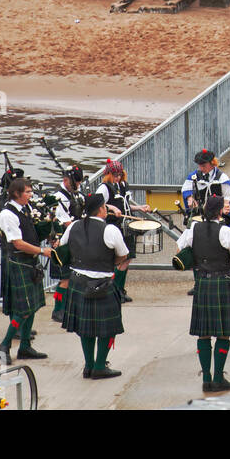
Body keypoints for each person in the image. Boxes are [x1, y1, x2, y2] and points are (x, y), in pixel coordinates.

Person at [175, 195, 230, 392]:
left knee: (203, 333)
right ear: (220, 211)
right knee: (223, 334)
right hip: (222, 283)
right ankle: (218, 378)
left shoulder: (193, 229)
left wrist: (195, 260)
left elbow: (179, 248)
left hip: (202, 283)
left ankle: (206, 378)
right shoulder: (225, 231)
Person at [59, 193, 130, 380]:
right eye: (105, 207)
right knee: (107, 329)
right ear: (100, 209)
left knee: (85, 328)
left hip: (77, 282)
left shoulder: (73, 226)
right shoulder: (111, 230)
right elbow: (123, 255)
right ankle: (99, 366)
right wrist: (110, 262)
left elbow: (62, 246)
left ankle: (88, 365)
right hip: (102, 284)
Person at [0, 176, 54, 365]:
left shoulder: (25, 209)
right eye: (27, 192)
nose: (31, 195)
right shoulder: (7, 214)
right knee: (23, 310)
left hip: (30, 262)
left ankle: (25, 346)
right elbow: (17, 243)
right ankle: (4, 345)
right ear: (16, 194)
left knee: (33, 307)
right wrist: (42, 251)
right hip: (19, 263)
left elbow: (33, 231)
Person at [96, 158, 153, 302]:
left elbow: (126, 205)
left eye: (119, 174)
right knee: (119, 259)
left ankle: (120, 290)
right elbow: (97, 204)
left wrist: (139, 207)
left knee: (128, 257)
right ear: (108, 174)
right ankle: (114, 291)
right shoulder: (104, 188)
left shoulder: (123, 185)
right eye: (115, 175)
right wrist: (111, 207)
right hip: (114, 226)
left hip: (126, 224)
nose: (118, 177)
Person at [49, 164, 86, 323]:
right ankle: (58, 310)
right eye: (75, 183)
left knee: (73, 276)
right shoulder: (59, 197)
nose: (78, 185)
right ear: (65, 180)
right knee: (65, 279)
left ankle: (69, 307)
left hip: (75, 239)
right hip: (63, 242)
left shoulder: (76, 195)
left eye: (78, 182)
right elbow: (66, 223)